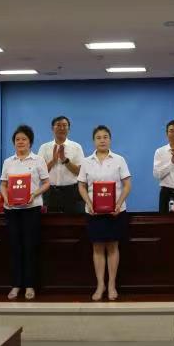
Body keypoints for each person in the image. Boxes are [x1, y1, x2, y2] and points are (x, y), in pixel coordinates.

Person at [77, 125, 132, 301]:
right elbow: (81, 186)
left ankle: (112, 285)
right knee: (98, 247)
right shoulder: (86, 161)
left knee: (113, 246)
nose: (102, 140)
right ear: (94, 141)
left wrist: (119, 203)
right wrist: (89, 203)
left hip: (116, 211)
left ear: (110, 139)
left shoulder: (119, 160)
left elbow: (127, 185)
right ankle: (100, 285)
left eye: (105, 137)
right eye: (99, 137)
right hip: (93, 212)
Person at [0, 125, 50, 301]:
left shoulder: (38, 160)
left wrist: (34, 194)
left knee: (30, 247)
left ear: (30, 142)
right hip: (12, 210)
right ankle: (15, 285)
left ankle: (29, 285)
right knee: (15, 247)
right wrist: (6, 197)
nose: (20, 142)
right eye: (17, 139)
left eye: (24, 139)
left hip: (31, 209)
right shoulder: (8, 162)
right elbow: (3, 184)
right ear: (13, 142)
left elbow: (46, 183)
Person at [38, 116, 86, 213]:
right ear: (52, 128)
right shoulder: (44, 147)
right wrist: (53, 161)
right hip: (50, 192)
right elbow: (40, 173)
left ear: (69, 128)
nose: (62, 128)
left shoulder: (76, 147)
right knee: (50, 221)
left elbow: (80, 172)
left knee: (74, 221)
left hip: (72, 192)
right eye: (58, 125)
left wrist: (65, 160)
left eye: (64, 125)